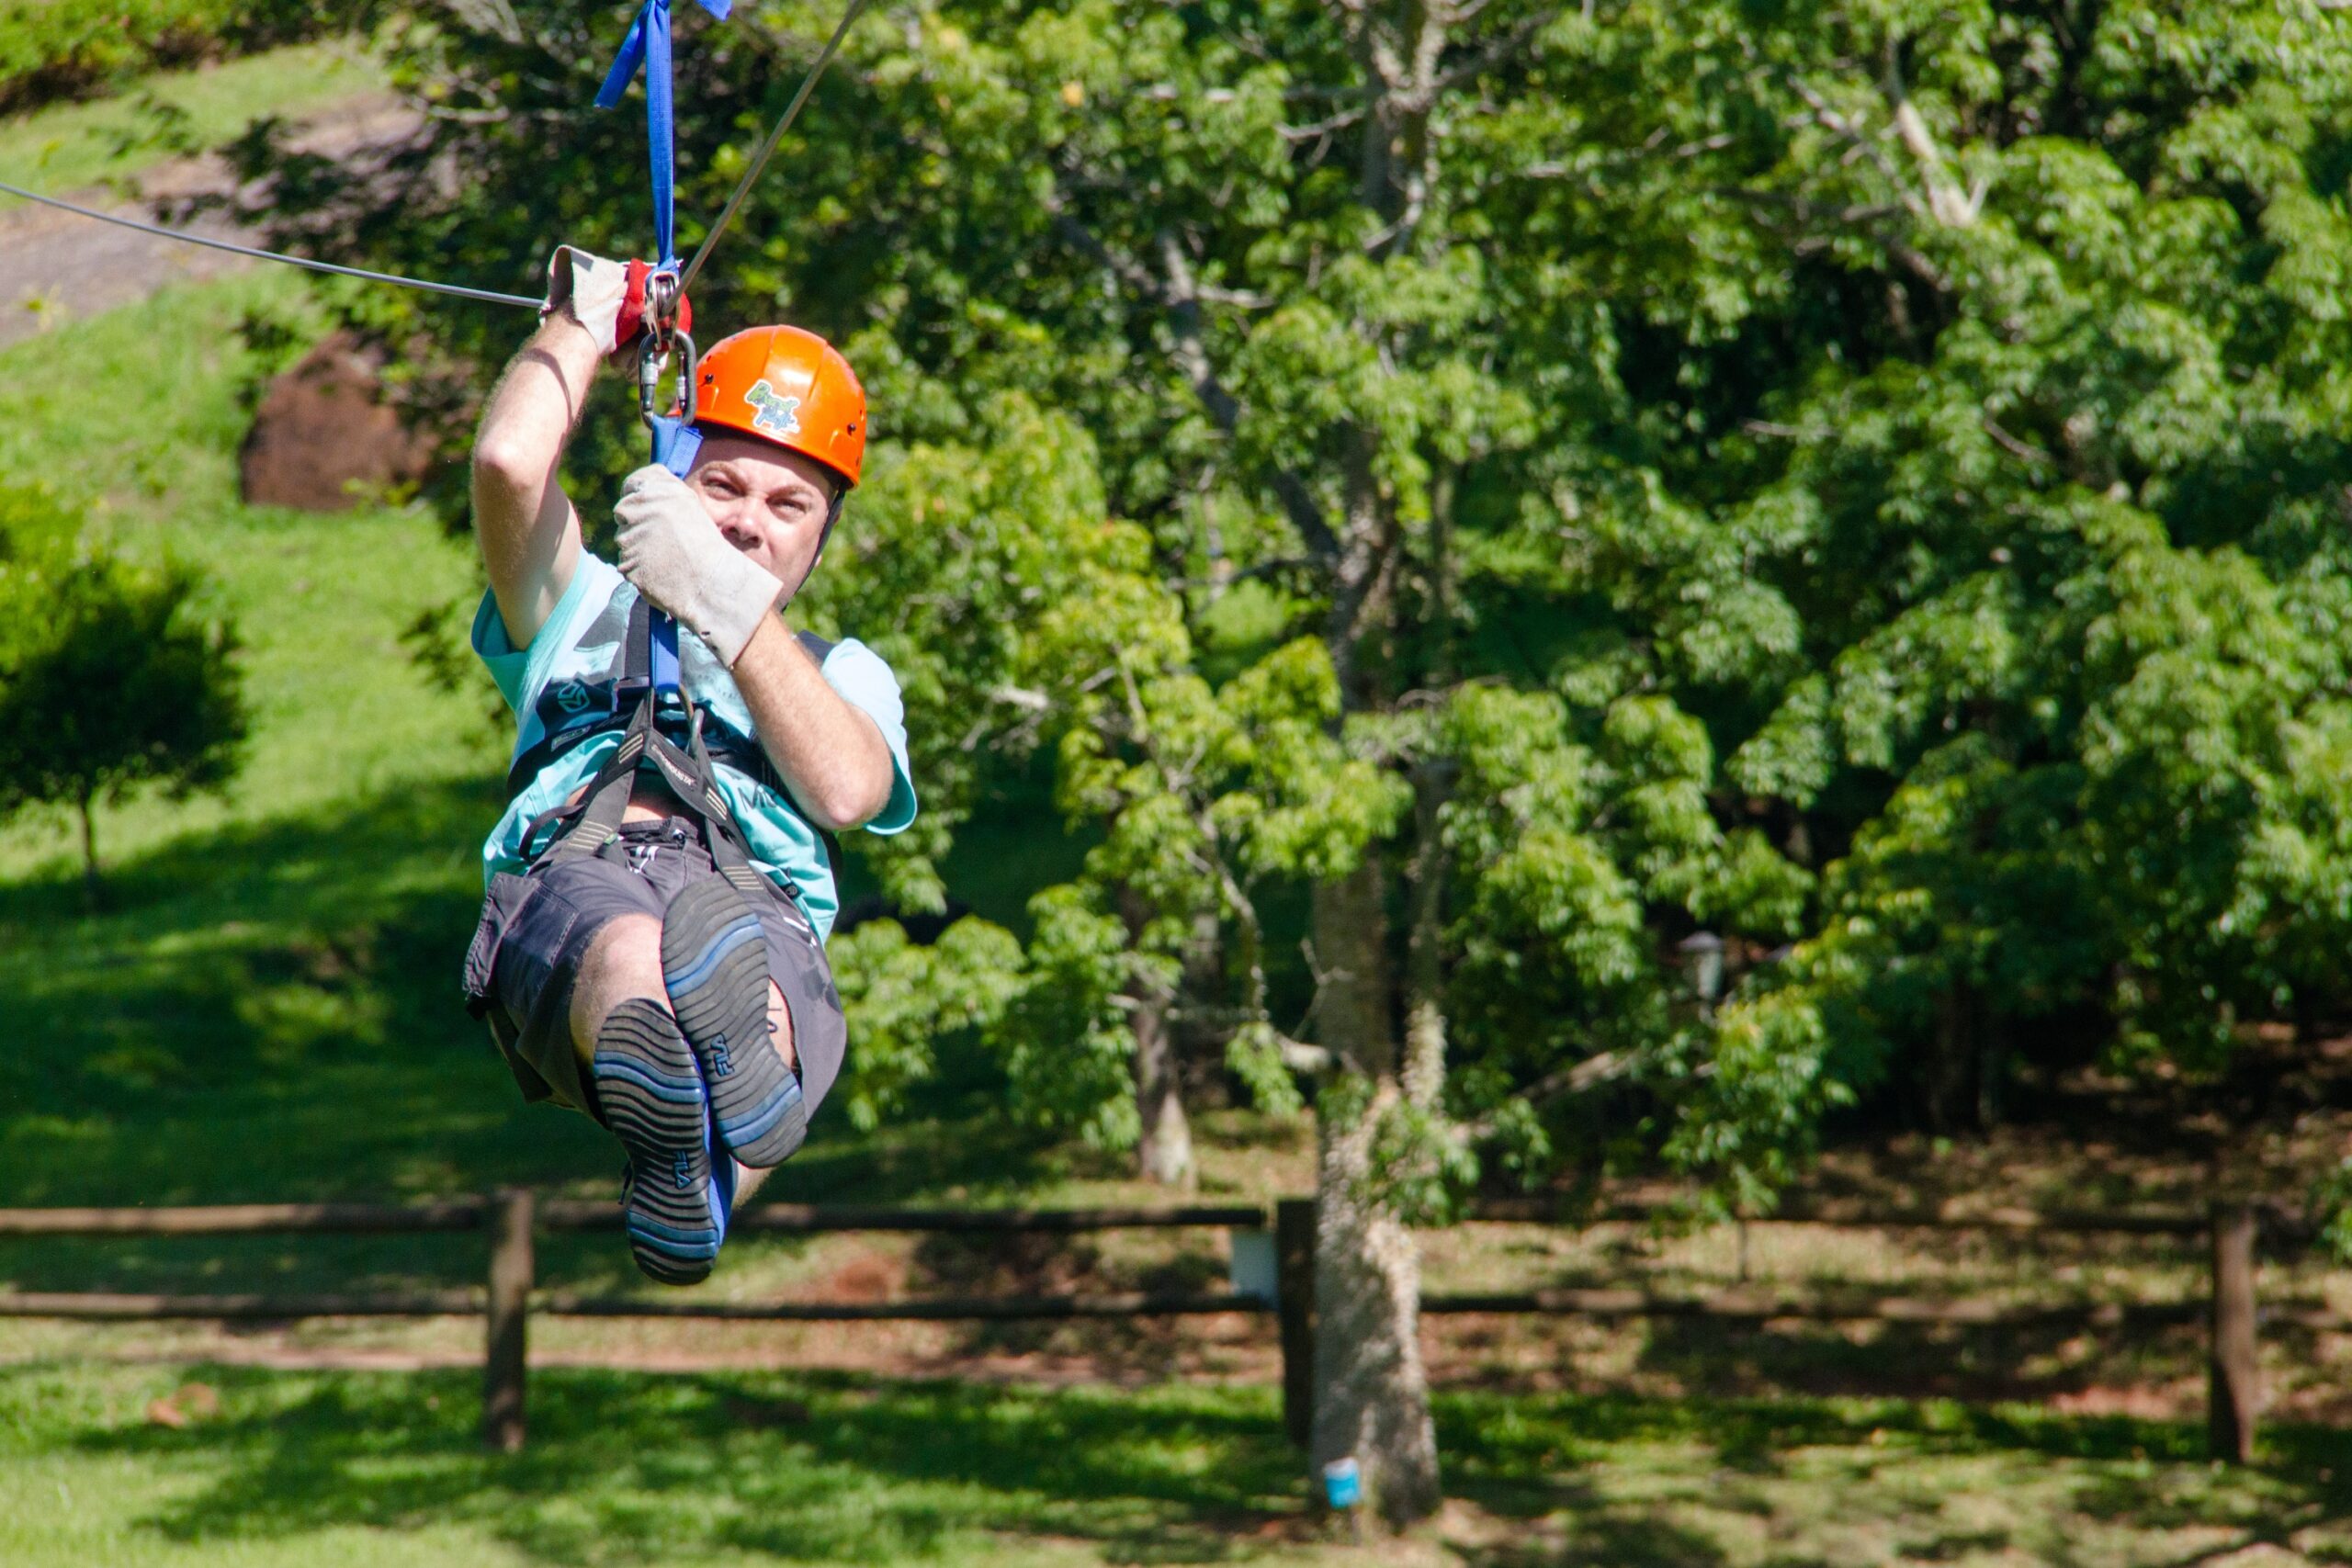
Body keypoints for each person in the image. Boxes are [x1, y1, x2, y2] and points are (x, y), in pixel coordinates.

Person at [459, 247, 916, 1284]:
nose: (748, 520)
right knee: (635, 962)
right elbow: (506, 469)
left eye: (787, 506)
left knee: (747, 995)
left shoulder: (839, 672)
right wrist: (580, 324)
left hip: (755, 899)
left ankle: (694, 1177)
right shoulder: (574, 602)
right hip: (584, 866)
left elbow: (847, 790)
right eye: (722, 485)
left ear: (819, 541)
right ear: (674, 480)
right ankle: (694, 1148)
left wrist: (720, 599)